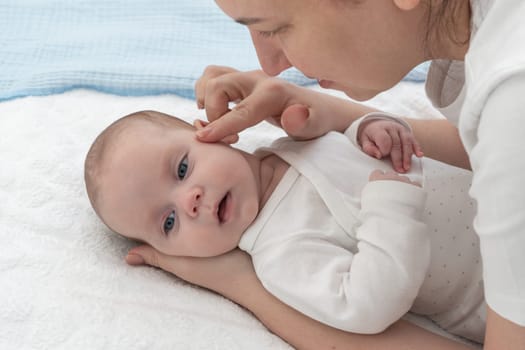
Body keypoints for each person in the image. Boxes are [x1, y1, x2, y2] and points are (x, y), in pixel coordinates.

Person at [123, 1, 525, 349]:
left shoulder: (513, 108)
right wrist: (355, 123)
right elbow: (485, 149)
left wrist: (238, 283)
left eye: (272, 27)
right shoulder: (280, 252)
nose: (269, 67)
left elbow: (506, 147)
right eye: (169, 221)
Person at [85, 110, 484, 345]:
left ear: (211, 130)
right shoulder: (280, 255)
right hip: (493, 288)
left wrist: (371, 128)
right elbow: (365, 305)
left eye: (182, 169)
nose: (188, 201)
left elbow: (351, 148)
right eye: (168, 222)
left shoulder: (294, 142)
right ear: (174, 255)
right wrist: (391, 209)